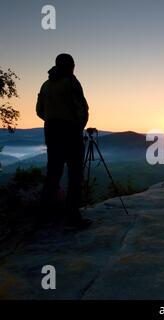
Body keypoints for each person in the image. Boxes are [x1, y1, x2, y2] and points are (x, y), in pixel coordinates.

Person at [36, 53, 92, 229]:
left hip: (51, 132)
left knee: (53, 172)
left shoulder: (46, 85)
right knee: (75, 174)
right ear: (70, 66)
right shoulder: (71, 82)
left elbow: (39, 110)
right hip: (70, 132)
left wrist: (52, 120)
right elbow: (82, 108)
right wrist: (78, 126)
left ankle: (47, 214)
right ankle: (72, 216)